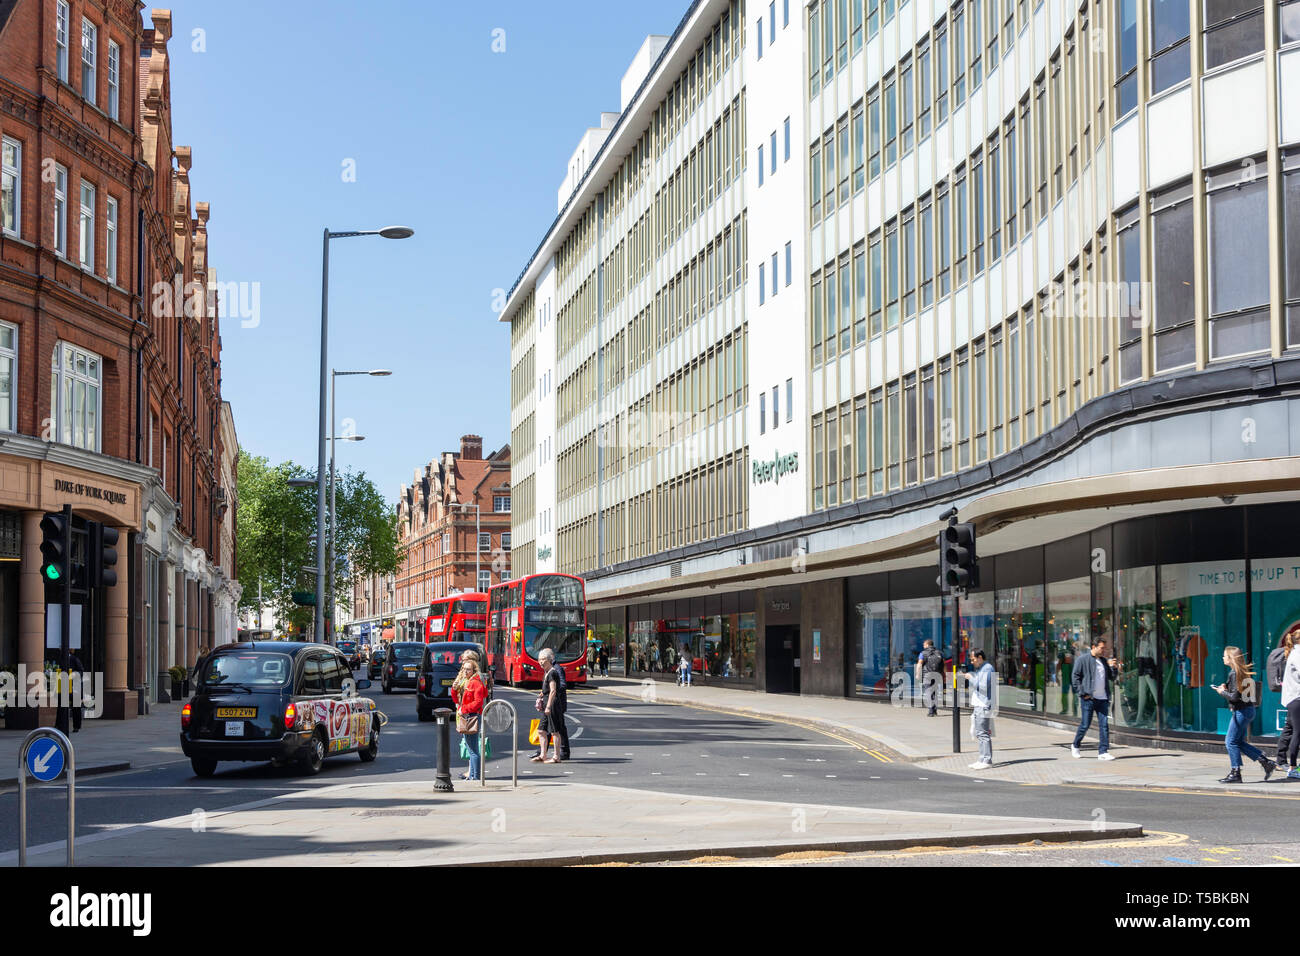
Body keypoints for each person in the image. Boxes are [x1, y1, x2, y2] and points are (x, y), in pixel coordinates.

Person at [1213, 645, 1276, 784]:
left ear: (1230, 658)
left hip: (1242, 712)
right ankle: (1266, 762)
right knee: (1238, 742)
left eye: (1224, 655)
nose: (1222, 657)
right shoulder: (1241, 672)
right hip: (1247, 710)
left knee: (1230, 742)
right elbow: (1239, 693)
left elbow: (1235, 697)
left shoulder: (1234, 673)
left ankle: (1236, 773)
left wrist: (1221, 692)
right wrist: (1226, 688)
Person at [1070, 638, 1120, 761]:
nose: (1104, 650)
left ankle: (1103, 751)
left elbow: (1111, 678)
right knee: (1085, 725)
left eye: (1105, 648)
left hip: (1102, 698)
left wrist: (1114, 668)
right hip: (1089, 699)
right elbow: (1075, 677)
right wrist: (1083, 693)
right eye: (1102, 648)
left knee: (1104, 726)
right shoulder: (1083, 659)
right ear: (1093, 647)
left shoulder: (1103, 661)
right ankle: (1075, 745)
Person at [450, 650, 487, 781]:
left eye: (465, 661)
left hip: (471, 714)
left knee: (473, 748)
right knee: (470, 747)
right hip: (464, 713)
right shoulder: (464, 678)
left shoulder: (476, 680)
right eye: (463, 665)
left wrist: (463, 709)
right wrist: (454, 689)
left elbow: (479, 700)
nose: (463, 666)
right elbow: (456, 698)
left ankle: (475, 776)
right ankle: (472, 774)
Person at [1272, 625, 1300, 775]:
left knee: (1289, 730)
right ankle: (1293, 768)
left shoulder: (1294, 653)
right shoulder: (1298, 655)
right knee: (1297, 732)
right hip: (1297, 697)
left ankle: (1280, 760)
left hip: (1291, 697)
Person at [538, 648, 569, 762]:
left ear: (549, 660)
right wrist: (542, 694)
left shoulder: (553, 672)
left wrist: (548, 706)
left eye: (543, 660)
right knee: (541, 730)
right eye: (539, 659)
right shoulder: (547, 672)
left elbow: (553, 691)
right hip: (547, 704)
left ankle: (557, 756)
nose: (540, 662)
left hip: (552, 705)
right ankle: (543, 754)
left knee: (555, 730)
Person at [967, 648, 995, 770]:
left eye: (973, 659)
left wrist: (970, 678)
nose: (972, 662)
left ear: (979, 658)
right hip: (979, 704)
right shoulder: (981, 669)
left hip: (984, 705)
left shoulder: (987, 668)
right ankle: (982, 759)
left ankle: (987, 760)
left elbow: (982, 686)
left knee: (983, 734)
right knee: (980, 733)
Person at [919, 639, 944, 716]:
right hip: (937, 674)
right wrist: (944, 674)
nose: (923, 646)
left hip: (927, 675)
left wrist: (917, 674)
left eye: (924, 645)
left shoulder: (923, 653)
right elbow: (944, 663)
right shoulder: (939, 652)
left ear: (927, 645)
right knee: (935, 692)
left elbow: (919, 664)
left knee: (928, 692)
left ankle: (931, 711)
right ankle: (935, 710)